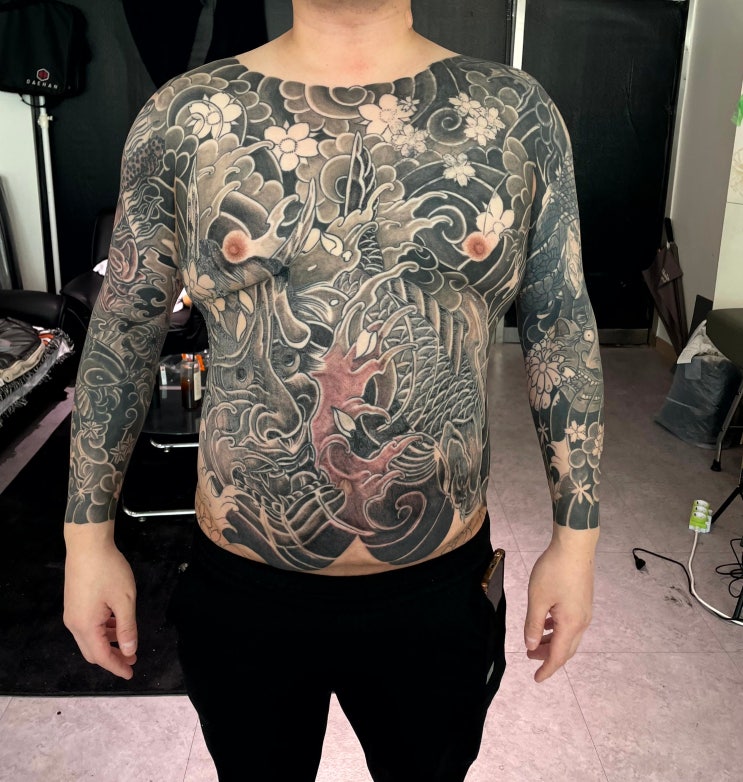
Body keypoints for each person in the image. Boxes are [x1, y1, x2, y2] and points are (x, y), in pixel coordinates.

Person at [63, 1, 603, 779]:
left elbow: (560, 325)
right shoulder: (185, 118)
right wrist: (86, 540)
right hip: (243, 586)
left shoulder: (514, 115)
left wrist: (576, 544)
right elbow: (123, 327)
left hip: (438, 587)